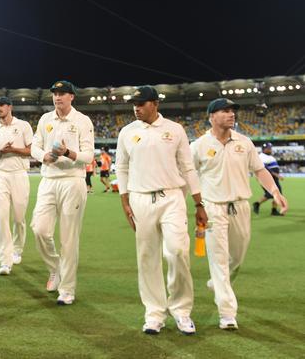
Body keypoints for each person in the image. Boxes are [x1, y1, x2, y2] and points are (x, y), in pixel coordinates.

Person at [115, 85, 207, 335]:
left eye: (142, 103)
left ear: (155, 104)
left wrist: (199, 203)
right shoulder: (127, 132)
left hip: (172, 197)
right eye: (134, 104)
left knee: (177, 251)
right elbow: (121, 168)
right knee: (147, 257)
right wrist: (125, 200)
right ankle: (154, 313)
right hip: (140, 199)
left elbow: (188, 168)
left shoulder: (174, 130)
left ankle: (181, 310)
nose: (136, 108)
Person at [191, 98, 288, 330]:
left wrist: (274, 191)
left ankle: (218, 283)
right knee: (219, 260)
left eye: (233, 110)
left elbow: (259, 170)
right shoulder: (198, 146)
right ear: (211, 116)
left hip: (241, 207)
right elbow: (188, 175)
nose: (232, 114)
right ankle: (227, 313)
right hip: (214, 208)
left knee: (237, 257)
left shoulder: (244, 142)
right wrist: (197, 206)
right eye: (225, 111)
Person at [30, 80, 94, 306]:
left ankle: (67, 289)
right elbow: (34, 146)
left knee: (68, 238)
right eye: (55, 93)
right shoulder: (45, 119)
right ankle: (55, 268)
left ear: (72, 97)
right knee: (39, 229)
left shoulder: (82, 121)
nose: (58, 97)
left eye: (63, 93)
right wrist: (43, 156)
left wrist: (67, 152)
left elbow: (88, 156)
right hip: (48, 180)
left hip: (72, 180)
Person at [0, 96, 33, 275]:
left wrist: (13, 150)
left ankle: (17, 249)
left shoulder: (23, 126)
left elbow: (31, 150)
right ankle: (5, 261)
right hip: (0, 175)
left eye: (1, 105)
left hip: (19, 175)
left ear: (10, 107)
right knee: (2, 219)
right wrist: (1, 151)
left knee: (19, 218)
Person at [252, 142, 285, 216]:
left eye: (270, 148)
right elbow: (265, 169)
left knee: (278, 194)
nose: (270, 150)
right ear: (264, 149)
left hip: (274, 179)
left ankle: (274, 210)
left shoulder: (269, 157)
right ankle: (257, 204)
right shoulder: (261, 157)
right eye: (268, 148)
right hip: (267, 178)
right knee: (271, 194)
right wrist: (277, 175)